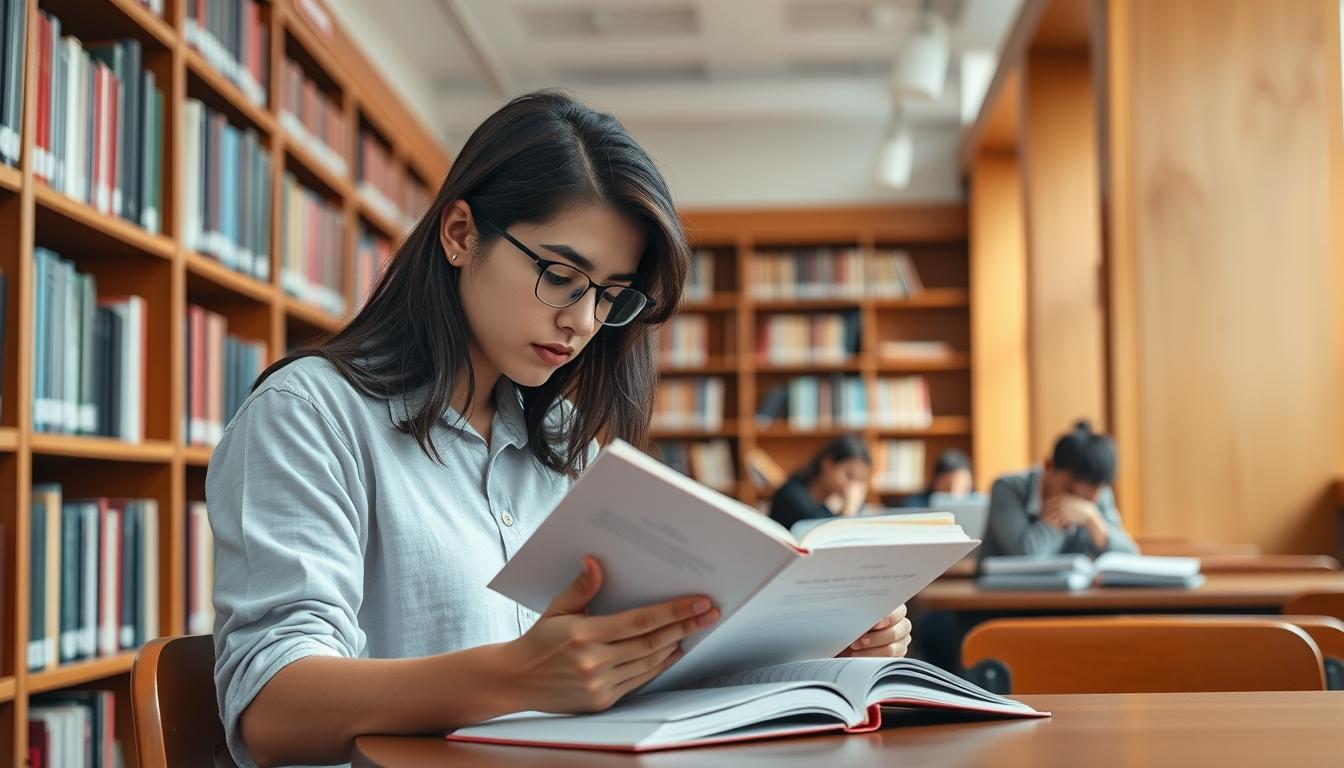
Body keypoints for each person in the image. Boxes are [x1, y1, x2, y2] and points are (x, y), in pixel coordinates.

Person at [207, 91, 912, 768]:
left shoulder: (563, 442)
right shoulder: (312, 414)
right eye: (560, 274)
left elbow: (617, 674)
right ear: (459, 234)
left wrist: (815, 646)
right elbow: (272, 709)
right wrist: (517, 678)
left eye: (609, 295)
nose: (581, 320)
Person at [978, 420, 1139, 563]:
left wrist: (1093, 520)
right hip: (1007, 595)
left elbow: (1130, 557)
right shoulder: (1008, 488)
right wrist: (1054, 522)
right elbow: (1025, 556)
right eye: (1070, 491)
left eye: (1085, 499)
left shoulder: (1097, 496)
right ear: (1048, 466)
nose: (1076, 503)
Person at [768, 435, 872, 530]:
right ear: (828, 464)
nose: (852, 487)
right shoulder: (791, 495)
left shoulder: (838, 502)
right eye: (849, 475)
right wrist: (849, 510)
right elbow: (820, 532)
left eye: (859, 480)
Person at [903, 448, 974, 508]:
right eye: (947, 487)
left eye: (962, 488)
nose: (954, 494)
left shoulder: (979, 505)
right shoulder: (914, 505)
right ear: (935, 482)